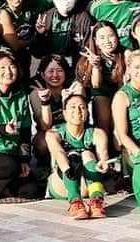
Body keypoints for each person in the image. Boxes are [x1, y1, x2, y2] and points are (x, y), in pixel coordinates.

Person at [0, 49, 44, 201]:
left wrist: (24, 159)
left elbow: (25, 131)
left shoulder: (21, 96)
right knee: (9, 167)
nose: (8, 71)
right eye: (2, 67)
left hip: (11, 152)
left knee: (30, 191)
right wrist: (4, 128)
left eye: (12, 66)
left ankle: (1, 187)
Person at [45, 90, 109, 220]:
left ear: (87, 112)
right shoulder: (53, 133)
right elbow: (59, 153)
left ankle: (96, 200)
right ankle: (75, 202)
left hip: (87, 183)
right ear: (64, 113)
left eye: (82, 107)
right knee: (73, 156)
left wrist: (103, 163)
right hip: (62, 183)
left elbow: (103, 154)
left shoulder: (97, 133)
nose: (78, 111)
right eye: (72, 107)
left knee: (87, 154)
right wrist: (68, 169)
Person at [74, 21, 125, 140]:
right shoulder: (87, 59)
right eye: (102, 38)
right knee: (100, 100)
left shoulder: (125, 54)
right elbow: (96, 85)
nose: (107, 41)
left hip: (121, 92)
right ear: (96, 41)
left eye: (111, 36)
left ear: (117, 37)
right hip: (100, 94)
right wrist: (96, 66)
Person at [32, 0, 92, 67]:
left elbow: (87, 49)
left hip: (76, 65)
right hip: (52, 65)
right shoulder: (46, 17)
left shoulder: (83, 18)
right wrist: (40, 34)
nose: (65, 0)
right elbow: (37, 53)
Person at [113, 50, 140, 170]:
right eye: (137, 67)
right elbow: (122, 135)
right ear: (129, 69)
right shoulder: (122, 96)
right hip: (136, 150)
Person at [29, 54, 75, 166]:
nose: (55, 75)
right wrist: (45, 102)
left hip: (71, 128)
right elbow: (44, 126)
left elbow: (77, 119)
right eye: (50, 71)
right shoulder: (36, 93)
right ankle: (46, 169)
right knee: (42, 143)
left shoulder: (72, 88)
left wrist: (66, 100)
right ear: (43, 75)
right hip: (48, 131)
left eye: (59, 70)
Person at [0, 0, 37, 69]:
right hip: (6, 59)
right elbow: (14, 45)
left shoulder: (29, 11)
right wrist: (33, 40)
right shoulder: (3, 13)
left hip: (24, 58)